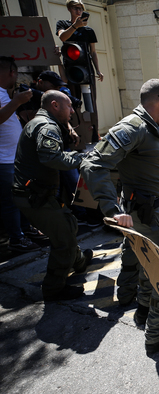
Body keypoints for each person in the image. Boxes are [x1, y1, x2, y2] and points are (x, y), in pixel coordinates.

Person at [80, 79, 159, 355]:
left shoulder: (152, 130)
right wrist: (112, 209)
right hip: (149, 215)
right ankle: (158, 335)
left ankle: (144, 313)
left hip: (152, 212)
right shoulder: (133, 128)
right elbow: (93, 163)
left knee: (150, 266)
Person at [12, 90, 92, 301]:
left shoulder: (41, 122)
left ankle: (79, 261)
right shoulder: (46, 126)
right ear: (55, 105)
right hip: (34, 196)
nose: (72, 112)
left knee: (67, 224)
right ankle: (54, 289)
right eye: (69, 107)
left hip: (36, 193)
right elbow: (51, 158)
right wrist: (82, 159)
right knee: (63, 238)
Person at [0, 56, 41, 253]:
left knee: (22, 198)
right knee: (12, 202)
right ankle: (16, 239)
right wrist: (16, 102)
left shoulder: (4, 94)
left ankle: (25, 230)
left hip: (13, 158)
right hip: (3, 160)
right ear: (11, 72)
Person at [56, 0, 104, 83]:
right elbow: (62, 37)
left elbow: (93, 52)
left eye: (81, 9)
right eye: (76, 8)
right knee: (74, 92)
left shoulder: (88, 30)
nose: (78, 11)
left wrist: (98, 70)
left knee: (90, 93)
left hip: (86, 66)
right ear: (69, 9)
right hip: (70, 65)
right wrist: (75, 26)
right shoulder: (62, 24)